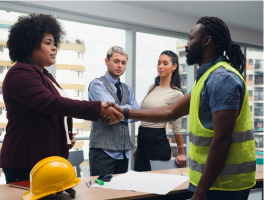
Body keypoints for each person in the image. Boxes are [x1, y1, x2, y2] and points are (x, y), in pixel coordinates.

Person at [105, 16, 255, 200]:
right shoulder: (207, 78)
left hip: (223, 187)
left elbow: (222, 139)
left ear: (207, 41)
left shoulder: (221, 78)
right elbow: (171, 111)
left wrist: (200, 193)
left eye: (191, 38)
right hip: (207, 182)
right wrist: (124, 112)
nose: (187, 44)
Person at [0, 14, 123, 184]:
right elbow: (51, 103)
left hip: (46, 158)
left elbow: (53, 111)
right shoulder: (19, 73)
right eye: (48, 43)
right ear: (29, 44)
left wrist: (65, 137)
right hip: (26, 160)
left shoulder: (43, 74)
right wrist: (98, 108)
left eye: (54, 43)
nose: (54, 48)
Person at [88, 46, 139, 176]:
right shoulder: (97, 84)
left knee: (119, 193)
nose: (120, 66)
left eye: (123, 62)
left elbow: (137, 113)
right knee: (101, 193)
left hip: (123, 152)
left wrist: (118, 110)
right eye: (116, 61)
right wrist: (128, 109)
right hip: (102, 152)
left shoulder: (127, 88)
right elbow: (110, 111)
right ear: (107, 61)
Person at [134, 50, 186, 172]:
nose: (160, 66)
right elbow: (145, 117)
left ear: (174, 66)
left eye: (165, 63)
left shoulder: (177, 93)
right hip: (142, 140)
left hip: (157, 141)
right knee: (138, 184)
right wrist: (139, 146)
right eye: (159, 63)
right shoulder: (152, 88)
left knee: (156, 183)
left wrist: (181, 153)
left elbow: (176, 126)